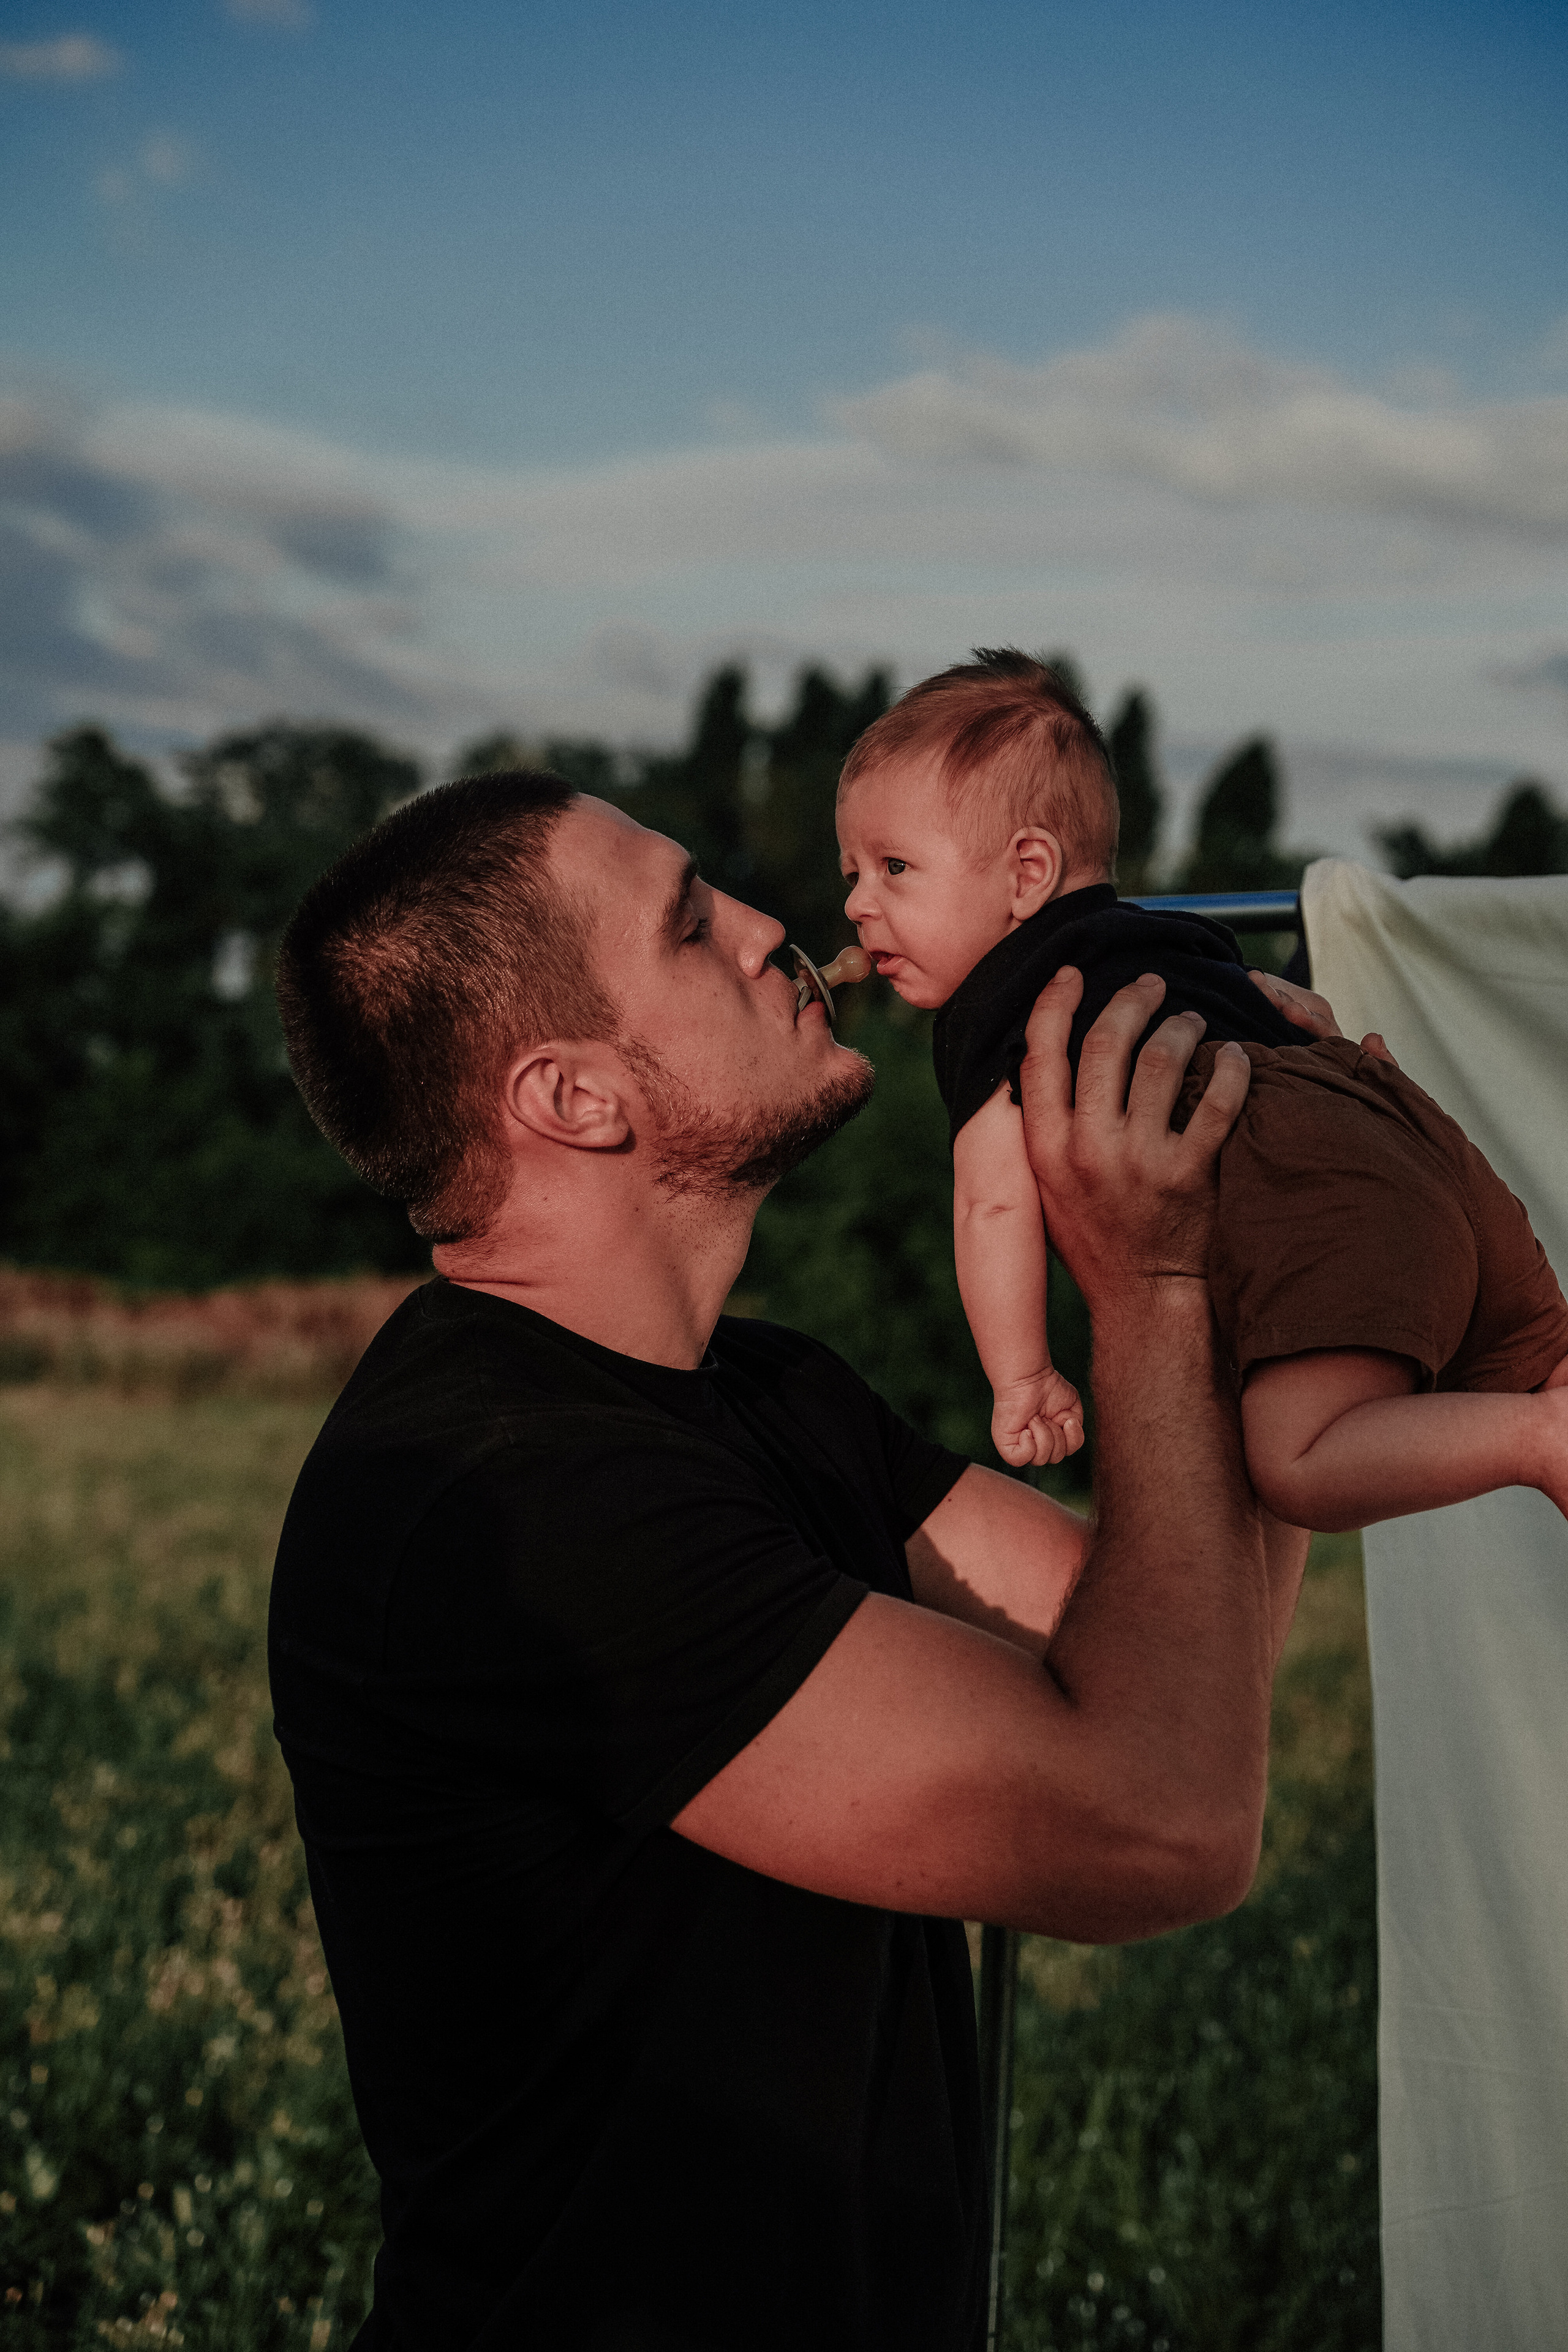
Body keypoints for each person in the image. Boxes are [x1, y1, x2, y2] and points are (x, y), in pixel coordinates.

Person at [270, 768, 1305, 2352]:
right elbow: (1163, 1822)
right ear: (577, 1100)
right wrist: (1147, 1288)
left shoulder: (770, 1394)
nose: (778, 927)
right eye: (694, 925)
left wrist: (1265, 1245)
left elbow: (1187, 1668)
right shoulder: (507, 1500)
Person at [836, 649, 1568, 1532]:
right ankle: (1549, 1392)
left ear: (1028, 871)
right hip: (1402, 1124)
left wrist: (1022, 1375)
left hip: (1312, 1188)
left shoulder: (1005, 1006)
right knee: (1539, 1358)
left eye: (894, 868)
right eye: (853, 875)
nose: (858, 904)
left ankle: (1539, 1439)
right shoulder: (1176, 940)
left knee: (1300, 1466)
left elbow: (990, 1206)